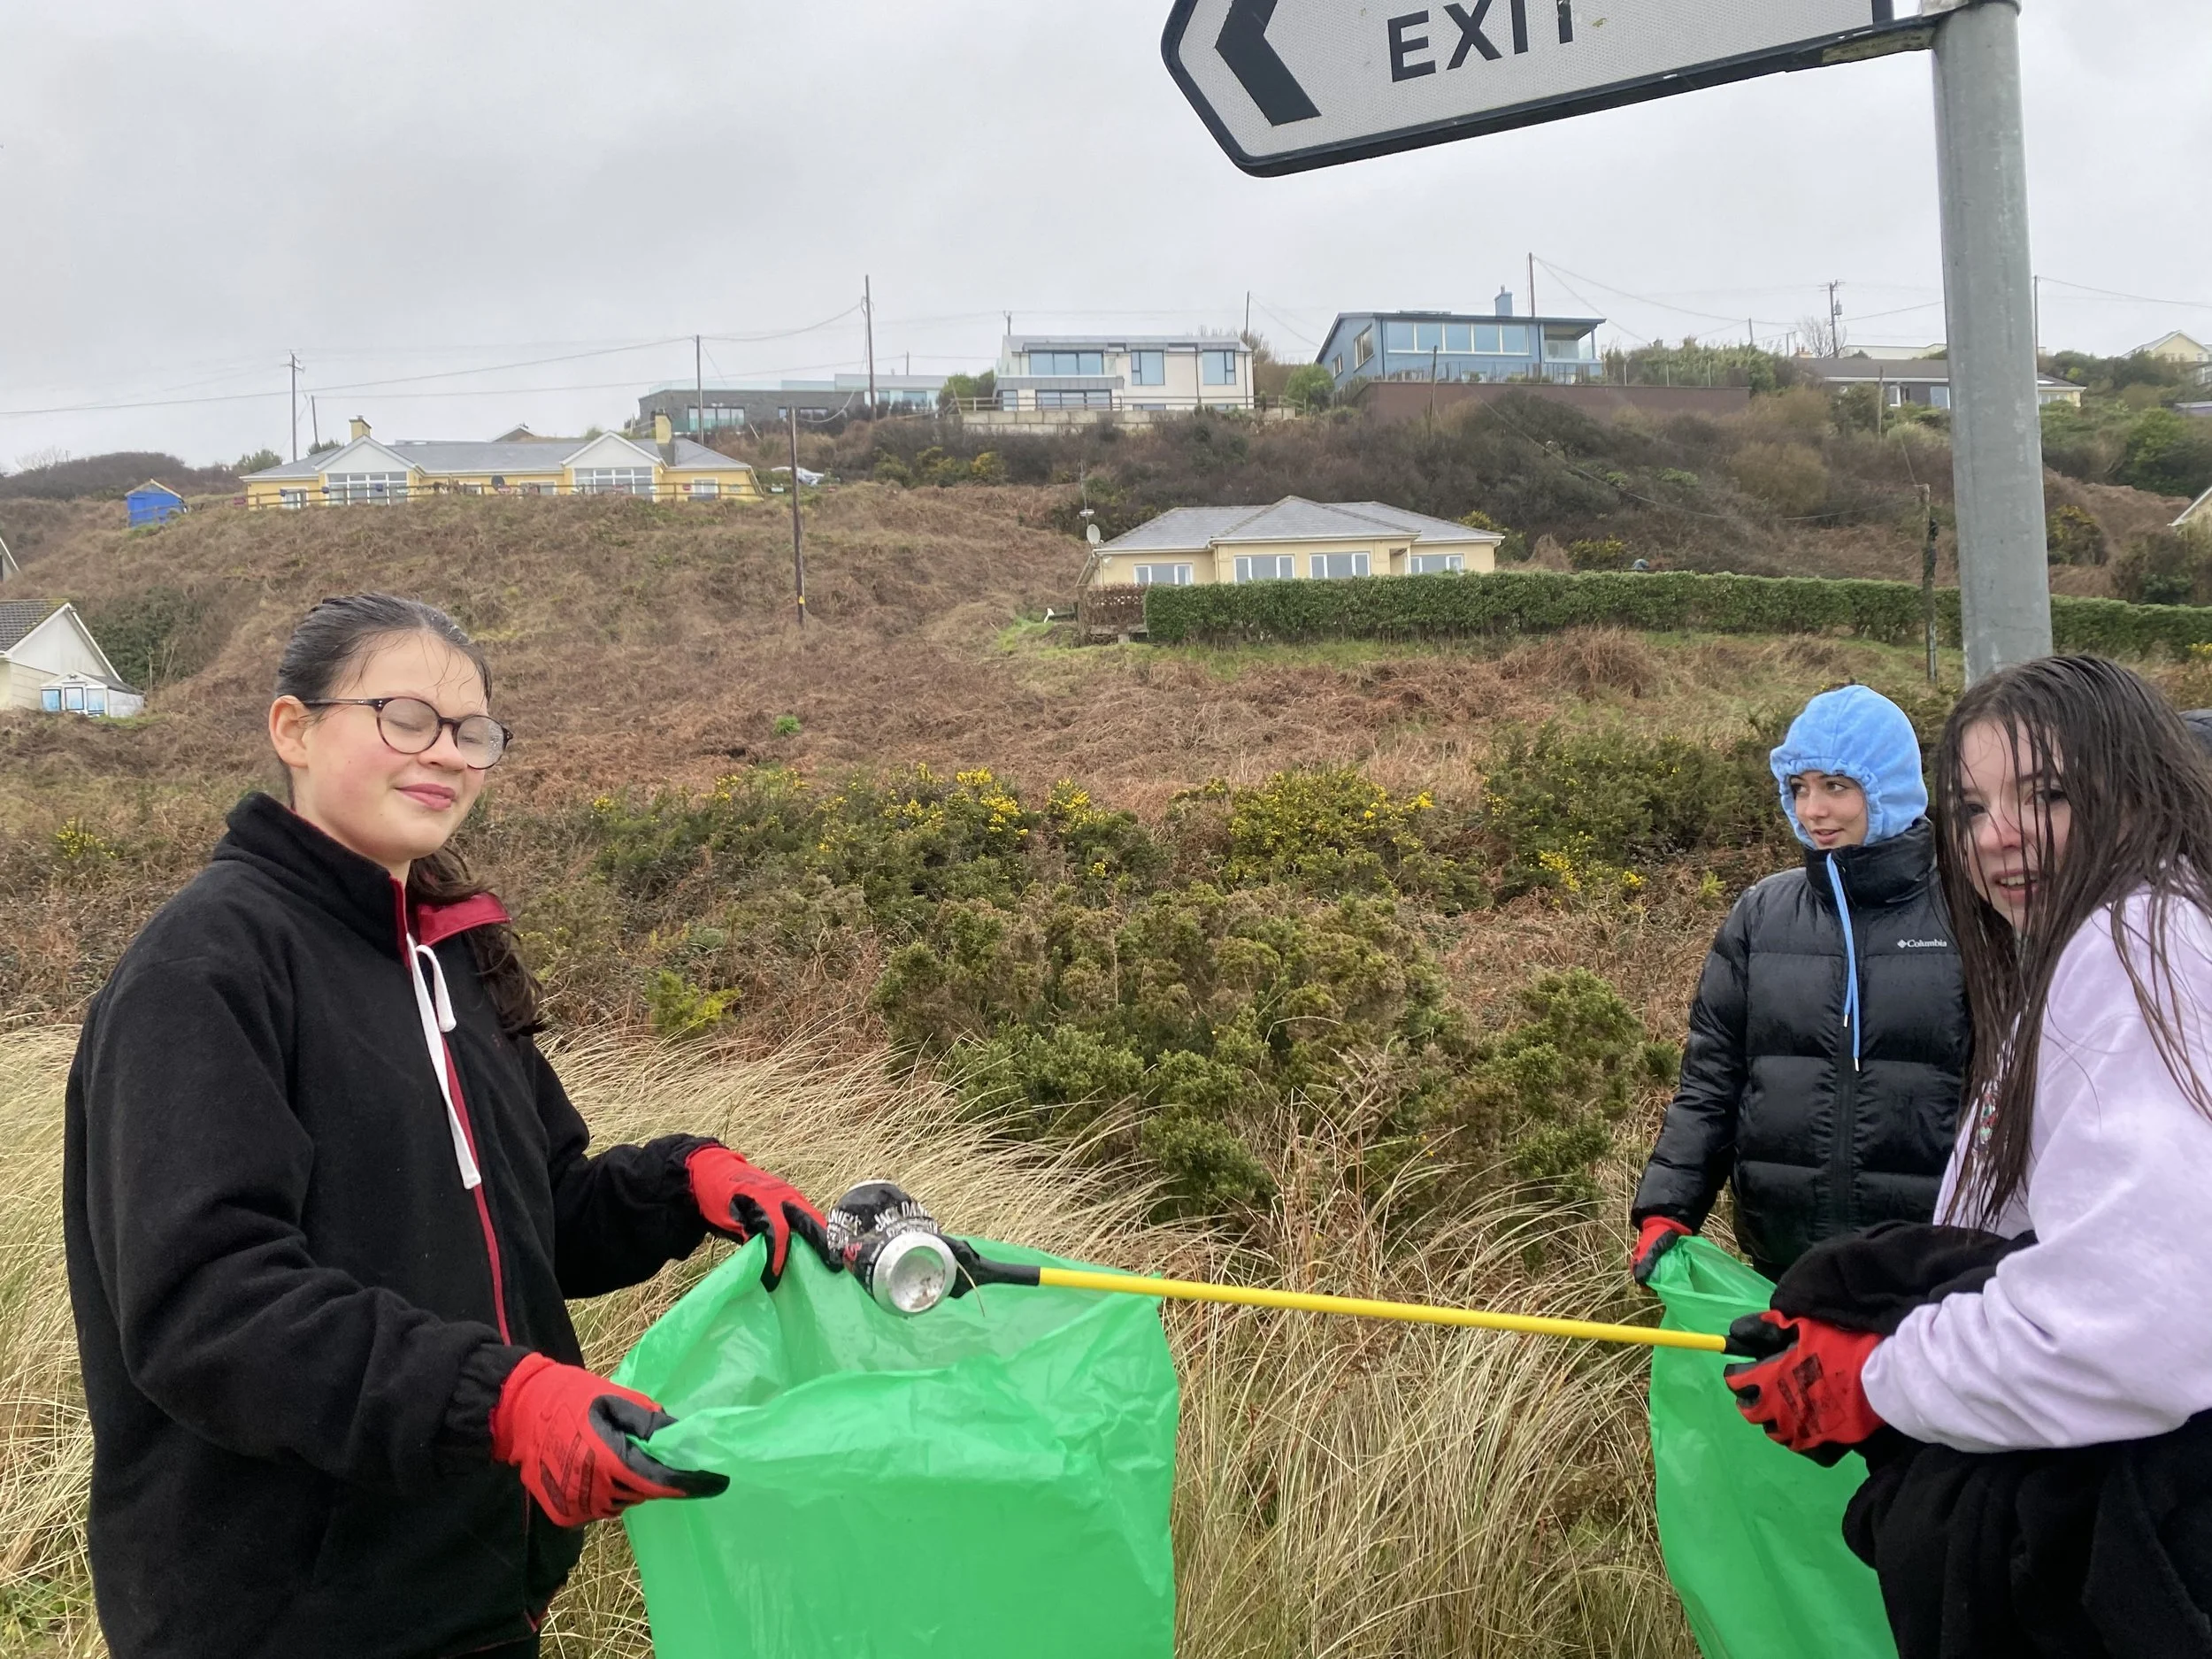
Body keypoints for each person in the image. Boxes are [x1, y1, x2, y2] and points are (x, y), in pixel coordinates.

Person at [63, 594, 837, 1659]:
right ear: (292, 728)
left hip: (467, 1593)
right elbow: (208, 1309)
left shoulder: (448, 957)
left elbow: (538, 1218)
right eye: (406, 718)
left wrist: (684, 1182)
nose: (448, 755)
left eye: (474, 733)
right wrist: (502, 1402)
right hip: (286, 1616)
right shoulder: (206, 968)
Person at [1722, 657, 2212, 1654]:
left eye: (2050, 793)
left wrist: (1876, 1375)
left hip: (2135, 1538)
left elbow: (2129, 1326)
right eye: (1974, 806)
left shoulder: (2135, 952)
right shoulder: (2098, 942)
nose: (1998, 836)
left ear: (2143, 784)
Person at [1631, 684, 1967, 1284]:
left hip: (1934, 1267)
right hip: (1786, 1260)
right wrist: (1667, 1207)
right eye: (1799, 787)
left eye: (1836, 785)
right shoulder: (1763, 913)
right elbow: (1712, 1077)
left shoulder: (1971, 911)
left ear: (1886, 785)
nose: (1813, 810)